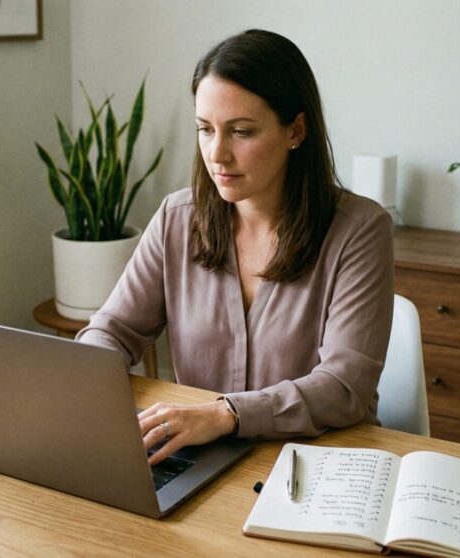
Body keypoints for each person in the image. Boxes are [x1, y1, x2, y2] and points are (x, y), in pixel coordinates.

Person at [76, 29, 394, 466]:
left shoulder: (360, 230)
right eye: (205, 130)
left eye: (241, 132)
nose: (217, 154)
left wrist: (225, 414)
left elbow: (344, 386)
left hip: (318, 464)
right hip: (202, 458)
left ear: (296, 130)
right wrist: (85, 379)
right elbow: (112, 330)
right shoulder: (176, 218)